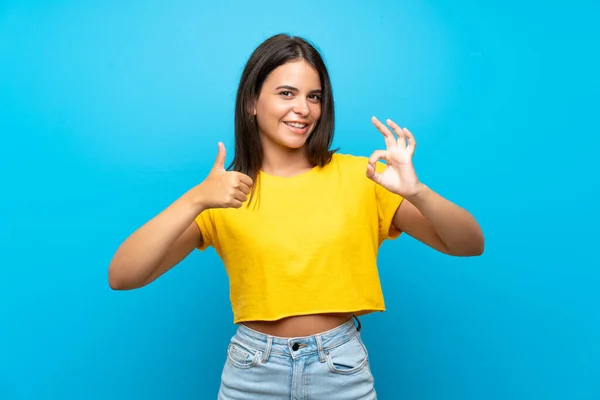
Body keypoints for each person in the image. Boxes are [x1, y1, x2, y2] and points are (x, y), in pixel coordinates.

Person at [108, 33, 484, 399]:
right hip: (251, 373)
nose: (303, 109)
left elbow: (468, 244)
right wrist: (194, 199)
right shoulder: (224, 194)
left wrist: (418, 192)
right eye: (287, 93)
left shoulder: (362, 177)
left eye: (314, 97)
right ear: (251, 102)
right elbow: (123, 276)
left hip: (340, 370)